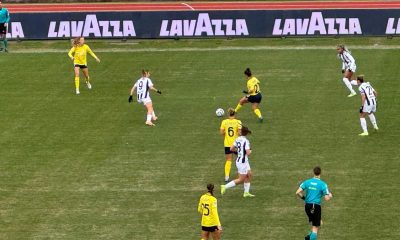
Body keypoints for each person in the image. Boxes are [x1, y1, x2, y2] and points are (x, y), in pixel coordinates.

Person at [296, 166, 332, 240]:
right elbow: (326, 198)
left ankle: (308, 238)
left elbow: (298, 192)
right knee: (315, 227)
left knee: (318, 223)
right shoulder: (323, 184)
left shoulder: (307, 182)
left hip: (307, 206)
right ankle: (310, 238)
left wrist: (304, 198)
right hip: (315, 206)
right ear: (320, 173)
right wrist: (330, 195)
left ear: (313, 172)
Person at [221, 126, 255, 198]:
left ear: (241, 132)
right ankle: (224, 187)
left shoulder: (237, 139)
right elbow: (248, 153)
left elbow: (231, 148)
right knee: (241, 179)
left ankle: (246, 192)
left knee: (249, 174)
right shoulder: (246, 141)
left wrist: (239, 152)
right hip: (242, 162)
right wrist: (251, 150)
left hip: (243, 161)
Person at [219, 108, 242, 183]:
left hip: (227, 144)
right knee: (240, 159)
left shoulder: (224, 122)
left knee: (228, 160)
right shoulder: (238, 122)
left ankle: (226, 176)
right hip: (236, 144)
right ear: (235, 114)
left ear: (228, 114)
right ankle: (241, 175)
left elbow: (222, 133)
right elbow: (239, 133)